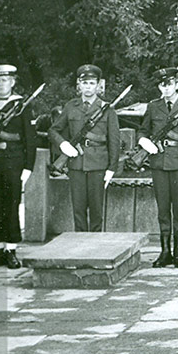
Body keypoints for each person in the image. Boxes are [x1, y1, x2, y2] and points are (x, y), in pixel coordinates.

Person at [137, 68, 178, 268]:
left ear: (177, 85)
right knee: (163, 210)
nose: (166, 88)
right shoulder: (153, 107)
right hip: (159, 164)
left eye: (170, 84)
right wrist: (144, 141)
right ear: (159, 87)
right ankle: (165, 252)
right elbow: (143, 130)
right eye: (162, 85)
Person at [0, 64, 37, 268]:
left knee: (12, 204)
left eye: (5, 80)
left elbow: (30, 138)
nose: (1, 84)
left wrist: (29, 166)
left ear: (12, 82)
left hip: (14, 161)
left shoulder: (21, 104)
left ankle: (11, 249)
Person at [50, 64, 121, 232]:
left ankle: (95, 249)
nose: (88, 87)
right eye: (85, 83)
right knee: (78, 210)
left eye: (91, 83)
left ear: (98, 86)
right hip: (76, 164)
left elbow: (114, 140)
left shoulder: (107, 110)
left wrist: (112, 167)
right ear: (79, 85)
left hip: (98, 165)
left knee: (97, 211)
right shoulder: (70, 107)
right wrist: (64, 144)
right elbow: (53, 130)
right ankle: (79, 247)